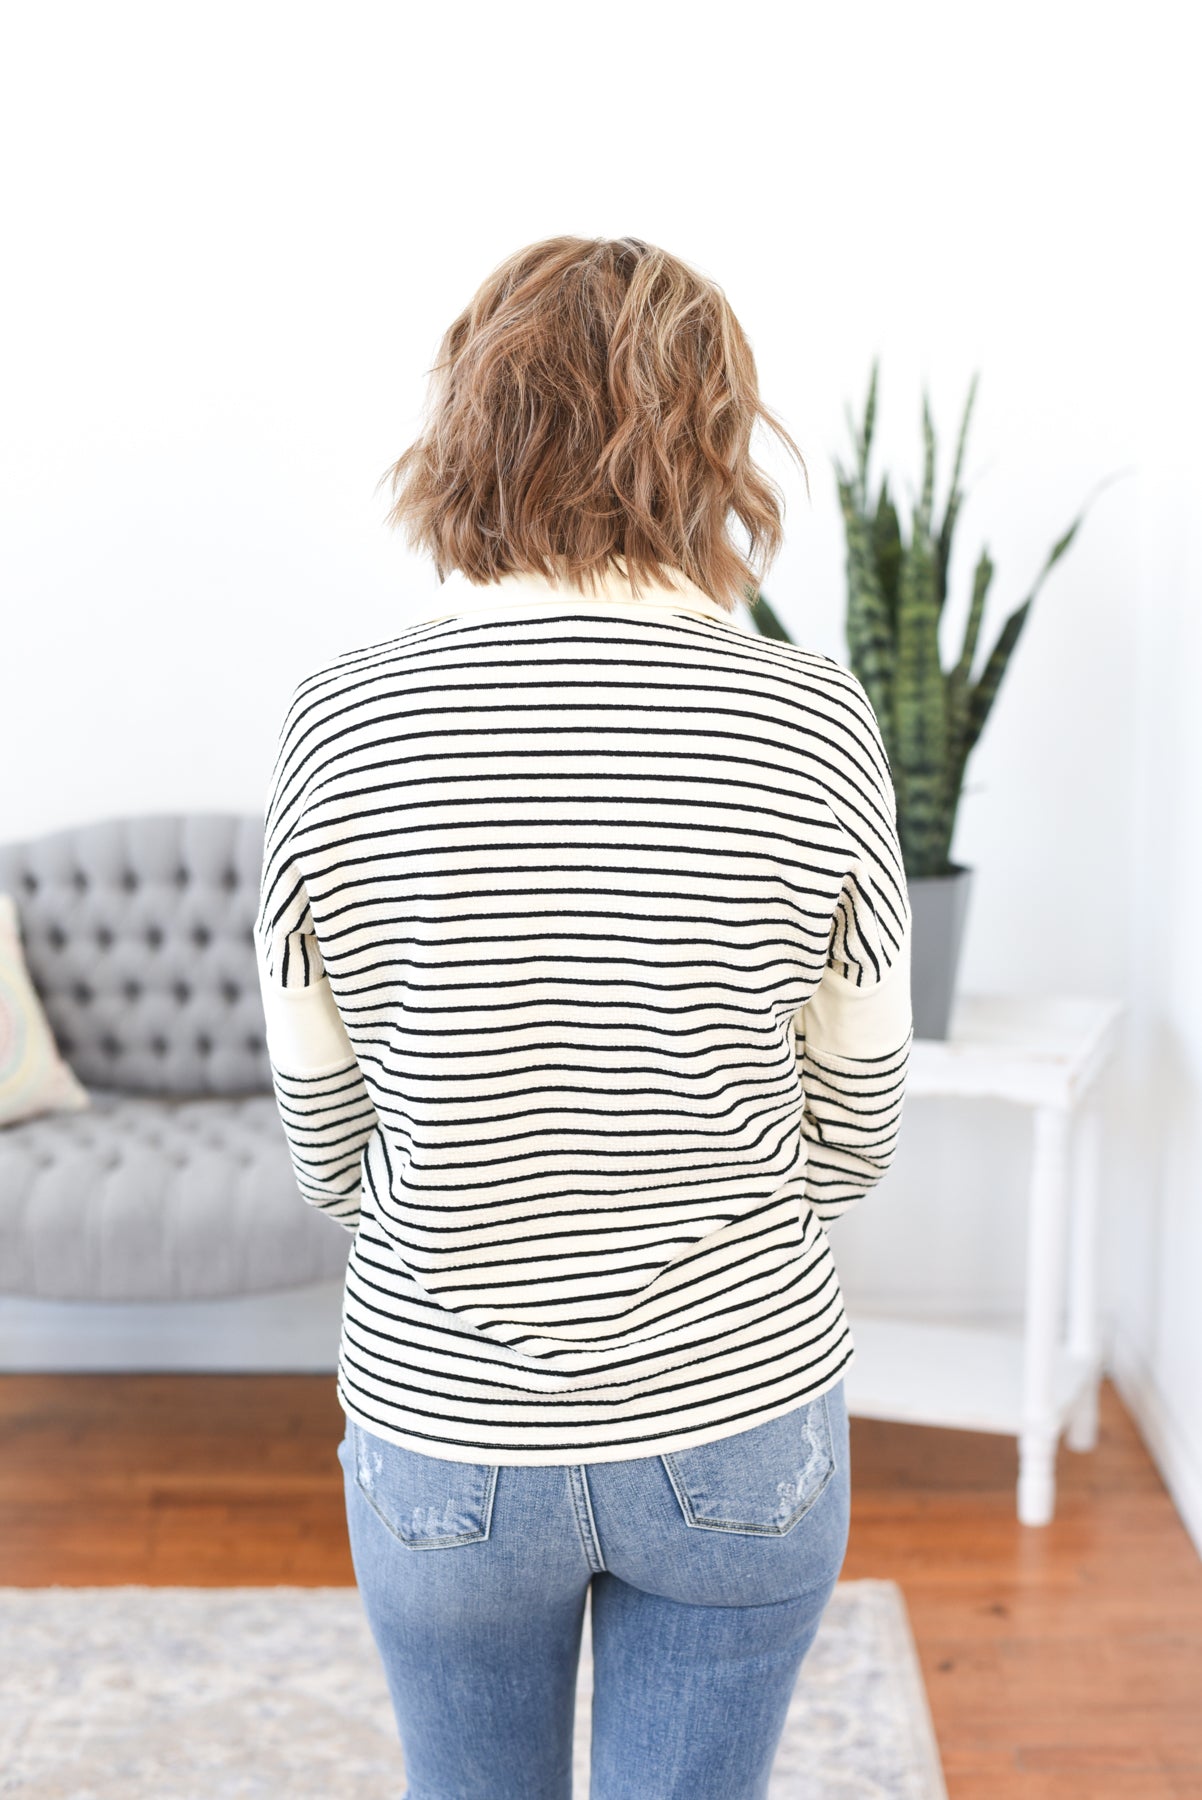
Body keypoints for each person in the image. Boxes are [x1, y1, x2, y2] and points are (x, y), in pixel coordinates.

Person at [255, 234, 913, 1800]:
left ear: (471, 427)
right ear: (714, 441)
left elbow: (324, 1143)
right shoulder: (811, 713)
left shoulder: (342, 717)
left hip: (444, 1420)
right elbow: (857, 1129)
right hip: (739, 1402)